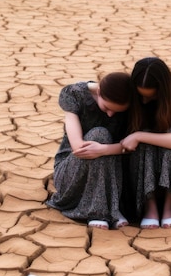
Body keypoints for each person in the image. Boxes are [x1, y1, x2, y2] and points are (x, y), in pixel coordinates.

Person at [120, 57, 171, 229]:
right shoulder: (129, 95)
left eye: (151, 96)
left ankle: (170, 206)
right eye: (140, 95)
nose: (144, 101)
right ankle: (150, 206)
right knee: (146, 144)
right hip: (140, 177)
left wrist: (140, 135)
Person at [46, 72, 132, 230]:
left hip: (112, 175)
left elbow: (133, 145)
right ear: (98, 92)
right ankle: (100, 211)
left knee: (103, 141)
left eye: (117, 112)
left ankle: (108, 208)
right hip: (72, 170)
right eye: (107, 107)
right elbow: (78, 147)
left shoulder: (130, 101)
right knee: (99, 134)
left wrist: (104, 150)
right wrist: (106, 148)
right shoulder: (74, 94)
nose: (111, 114)